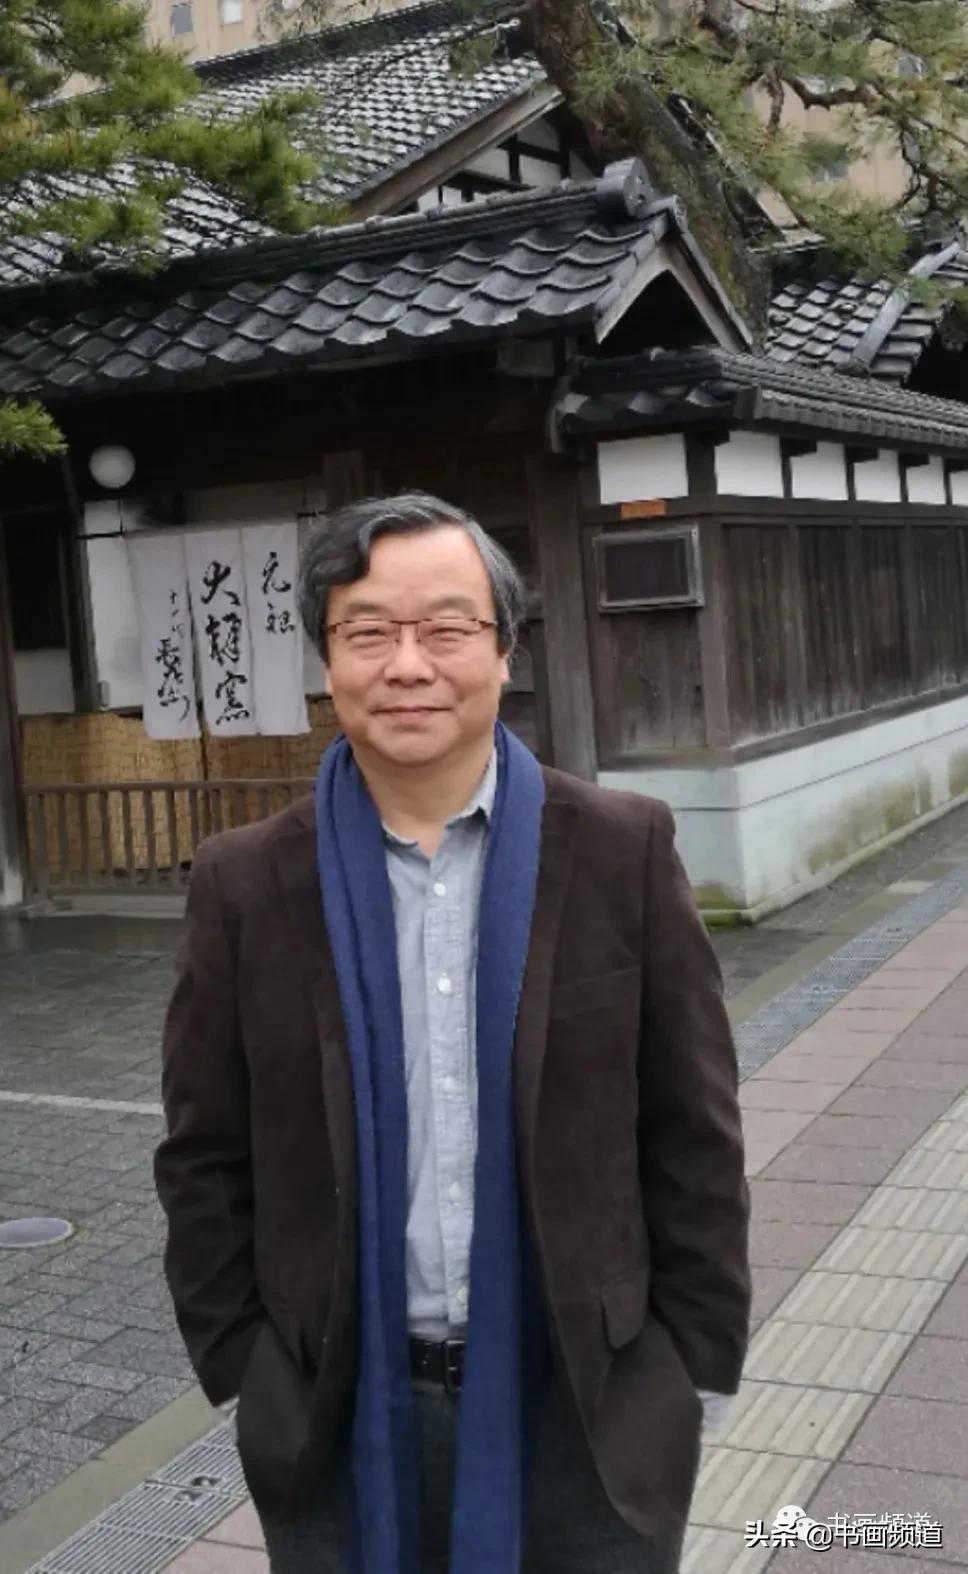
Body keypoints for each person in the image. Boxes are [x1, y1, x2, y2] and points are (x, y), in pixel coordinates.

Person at [154, 492, 750, 1574]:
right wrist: (243, 1363)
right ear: (327, 659)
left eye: (446, 628)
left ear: (504, 650)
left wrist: (689, 1366)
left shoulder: (619, 849)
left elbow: (693, 1125)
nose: (407, 664)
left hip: (590, 1398)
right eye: (368, 631)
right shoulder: (246, 884)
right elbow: (204, 1151)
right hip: (334, 1403)